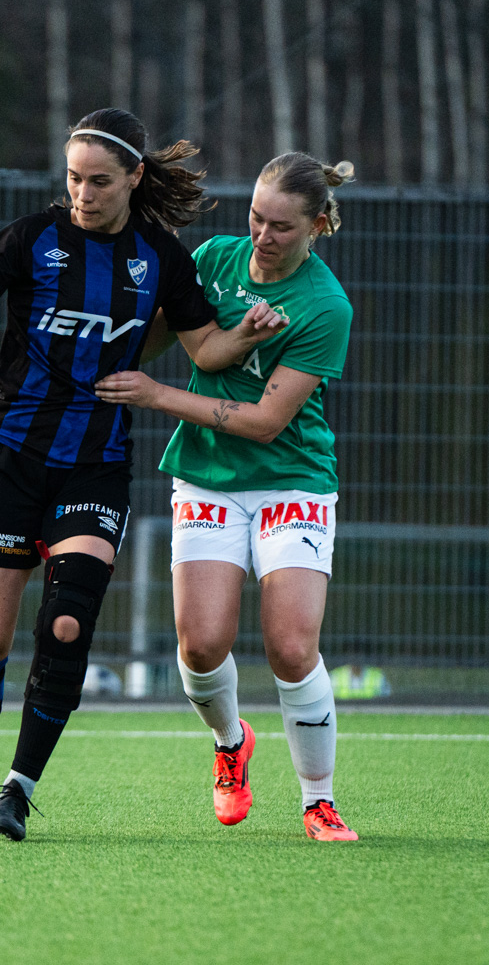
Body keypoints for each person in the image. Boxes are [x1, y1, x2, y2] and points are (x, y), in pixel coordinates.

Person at [0, 108, 288, 841]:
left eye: (99, 181)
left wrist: (245, 333)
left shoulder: (159, 255)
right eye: (74, 178)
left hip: (96, 467)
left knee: (68, 624)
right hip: (10, 459)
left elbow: (203, 350)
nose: (83, 193)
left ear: (134, 177)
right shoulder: (31, 238)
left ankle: (18, 791)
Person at [96, 152, 359, 841]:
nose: (262, 236)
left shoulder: (325, 306)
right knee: (201, 645)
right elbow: (155, 340)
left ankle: (318, 801)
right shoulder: (214, 259)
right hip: (207, 478)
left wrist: (156, 396)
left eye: (281, 226)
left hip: (291, 478)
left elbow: (266, 422)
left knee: (291, 648)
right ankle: (230, 744)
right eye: (255, 218)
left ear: (317, 226)